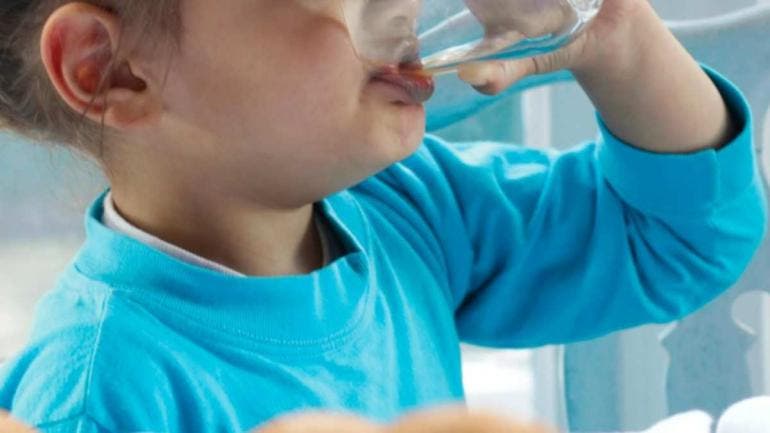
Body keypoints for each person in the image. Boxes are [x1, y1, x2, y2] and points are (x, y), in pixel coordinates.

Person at [0, 0, 766, 432]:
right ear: (110, 69)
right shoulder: (98, 392)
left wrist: (615, 35)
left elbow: (675, 235)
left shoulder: (399, 202)